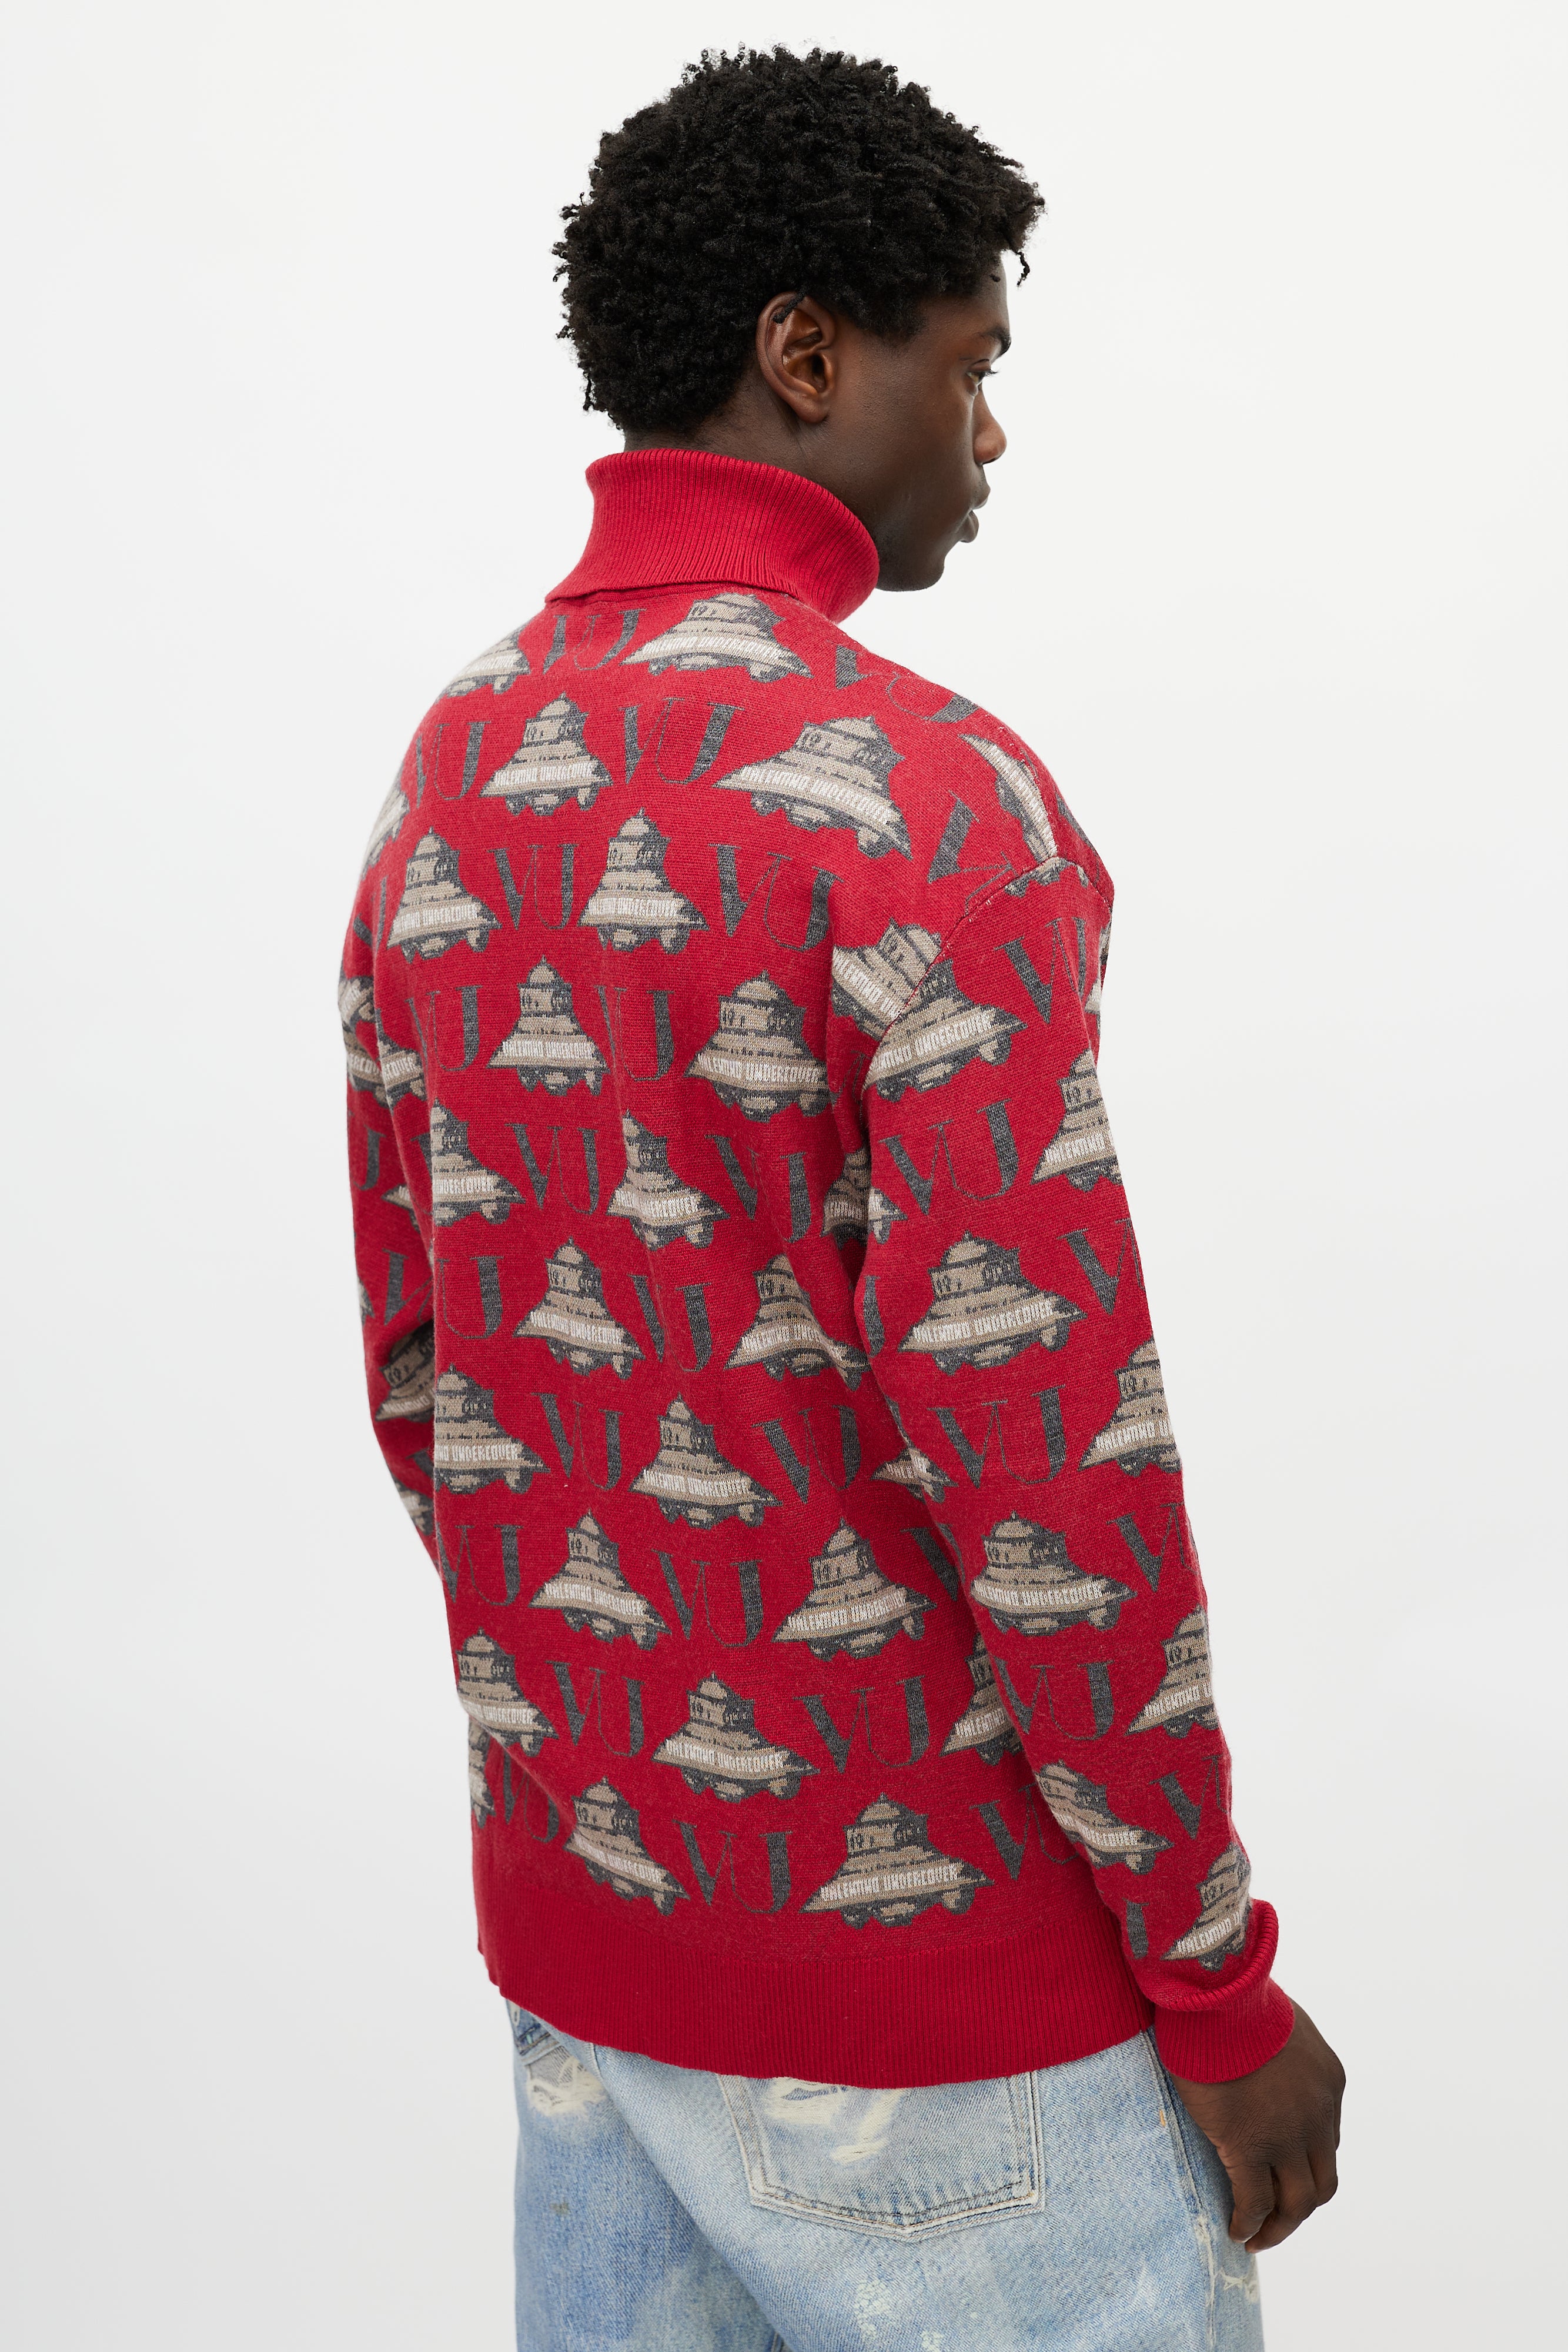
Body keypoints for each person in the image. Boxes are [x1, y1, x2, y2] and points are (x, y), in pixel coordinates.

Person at [340, 46, 1343, 2352]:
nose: (987, 435)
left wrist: (621, 1768)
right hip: (960, 2039)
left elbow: (429, 1377)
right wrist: (1212, 1981)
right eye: (965, 366)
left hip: (594, 1980)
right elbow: (1051, 1460)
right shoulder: (925, 802)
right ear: (806, 354)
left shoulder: (455, 764)